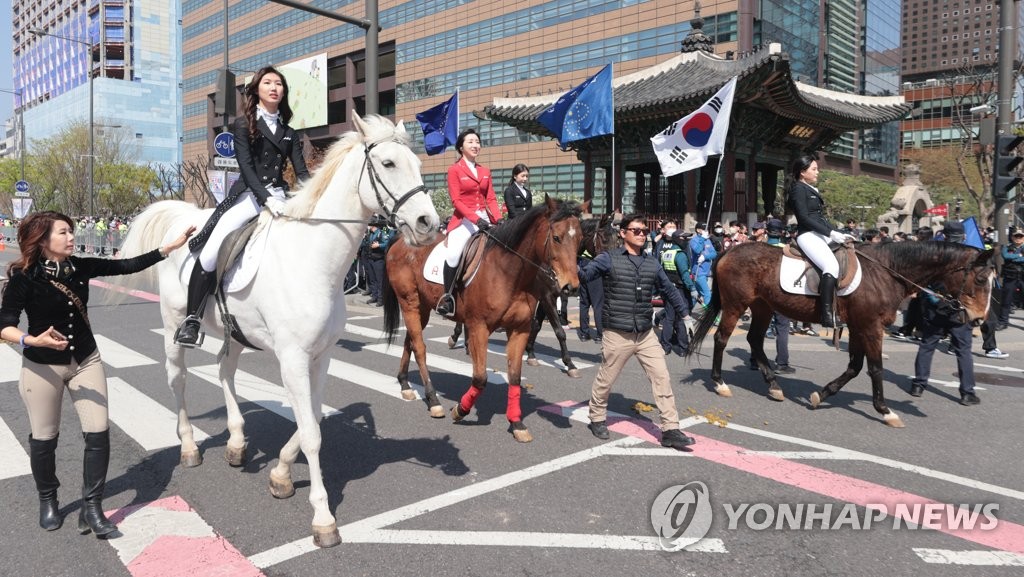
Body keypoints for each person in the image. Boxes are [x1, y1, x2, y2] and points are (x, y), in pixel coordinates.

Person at [0, 211, 194, 535]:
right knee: (44, 439)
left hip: (86, 360)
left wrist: (170, 247)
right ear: (43, 239)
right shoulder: (25, 277)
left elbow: (127, 265)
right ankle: (48, 498)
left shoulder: (82, 266)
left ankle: (92, 506)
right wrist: (31, 339)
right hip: (41, 367)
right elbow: (4, 324)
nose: (71, 237)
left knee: (98, 432)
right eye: (63, 232)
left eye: (72, 231)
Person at [174, 66, 310, 346]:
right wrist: (265, 198)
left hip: (281, 196)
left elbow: (302, 173)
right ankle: (192, 320)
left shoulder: (290, 133)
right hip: (250, 195)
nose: (274, 87)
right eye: (268, 83)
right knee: (212, 249)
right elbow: (246, 168)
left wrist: (313, 198)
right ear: (257, 90)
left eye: (279, 84)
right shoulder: (242, 124)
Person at [578, 214, 696, 451]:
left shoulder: (652, 262)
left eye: (644, 231)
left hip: (645, 333)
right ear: (623, 233)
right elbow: (583, 276)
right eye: (636, 230)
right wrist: (569, 260)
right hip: (617, 333)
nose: (642, 234)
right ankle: (597, 417)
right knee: (606, 379)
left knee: (662, 377)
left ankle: (670, 429)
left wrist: (685, 315)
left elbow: (669, 290)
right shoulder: (607, 259)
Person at [908, 220, 981, 405]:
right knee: (963, 350)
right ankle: (967, 392)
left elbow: (922, 281)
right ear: (964, 236)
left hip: (935, 307)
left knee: (927, 345)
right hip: (960, 310)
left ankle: (919, 384)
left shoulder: (934, 254)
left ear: (945, 236)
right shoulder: (971, 255)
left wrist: (933, 299)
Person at [436, 128, 501, 316]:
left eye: (477, 142)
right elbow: (457, 201)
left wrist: (498, 219)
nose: (475, 145)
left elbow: (491, 199)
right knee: (454, 254)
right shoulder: (454, 170)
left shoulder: (485, 171)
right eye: (471, 141)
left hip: (485, 219)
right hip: (464, 220)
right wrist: (476, 219)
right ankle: (447, 297)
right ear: (461, 147)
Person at [785, 154, 856, 327]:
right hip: (807, 234)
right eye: (814, 169)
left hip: (819, 233)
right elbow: (804, 218)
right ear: (803, 172)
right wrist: (830, 233)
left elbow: (820, 218)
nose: (818, 172)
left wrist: (840, 232)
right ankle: (826, 314)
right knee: (831, 266)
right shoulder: (798, 189)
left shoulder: (809, 188)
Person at [752, 219, 796, 374]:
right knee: (782, 327)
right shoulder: (787, 250)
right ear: (781, 232)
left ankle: (754, 359)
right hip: (780, 292)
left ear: (766, 230)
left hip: (758, 291)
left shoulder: (758, 248)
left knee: (758, 325)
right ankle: (782, 362)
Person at [658, 230, 695, 355]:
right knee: (681, 319)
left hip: (669, 289)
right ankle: (683, 348)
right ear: (678, 239)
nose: (687, 241)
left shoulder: (666, 254)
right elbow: (685, 275)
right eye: (684, 239)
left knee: (668, 319)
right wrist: (693, 289)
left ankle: (665, 347)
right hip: (680, 290)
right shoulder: (680, 255)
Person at [997, 230, 1024, 330]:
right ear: (1012, 237)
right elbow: (1005, 256)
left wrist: (1013, 258)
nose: (1018, 238)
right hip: (1010, 278)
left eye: (1020, 236)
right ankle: (1003, 322)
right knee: (1006, 301)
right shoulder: (1007, 247)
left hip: (1022, 278)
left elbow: (1011, 258)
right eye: (1016, 236)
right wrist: (1019, 256)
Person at [364, 216, 393, 306]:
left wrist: (379, 245)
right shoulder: (370, 234)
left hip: (378, 260)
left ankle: (381, 299)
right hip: (370, 259)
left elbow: (387, 242)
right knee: (372, 280)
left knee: (379, 280)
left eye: (368, 225)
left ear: (372, 225)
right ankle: (374, 296)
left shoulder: (381, 233)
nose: (367, 227)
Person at [688, 223, 717, 307]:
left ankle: (685, 312)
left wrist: (705, 256)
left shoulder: (707, 240)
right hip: (698, 271)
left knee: (696, 296)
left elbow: (714, 253)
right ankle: (708, 316)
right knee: (707, 293)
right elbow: (697, 250)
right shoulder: (694, 240)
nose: (706, 231)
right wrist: (702, 239)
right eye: (704, 229)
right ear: (698, 230)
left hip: (706, 272)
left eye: (707, 229)